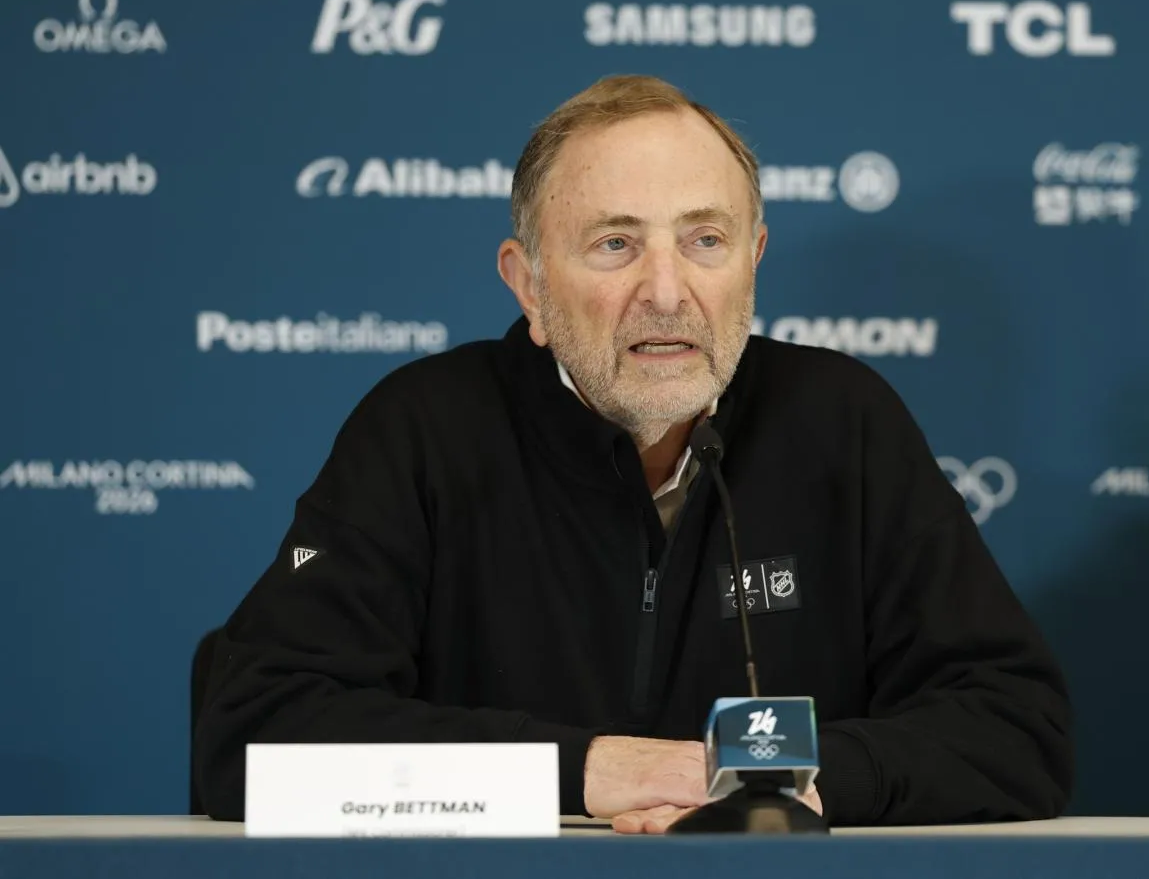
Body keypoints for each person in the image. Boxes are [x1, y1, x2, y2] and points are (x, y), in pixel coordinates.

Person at [194, 74, 1072, 833]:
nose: (666, 291)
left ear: (753, 261)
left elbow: (1016, 726)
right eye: (616, 244)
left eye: (705, 241)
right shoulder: (423, 429)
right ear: (529, 285)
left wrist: (799, 781)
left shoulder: (843, 421)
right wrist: (592, 771)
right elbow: (255, 733)